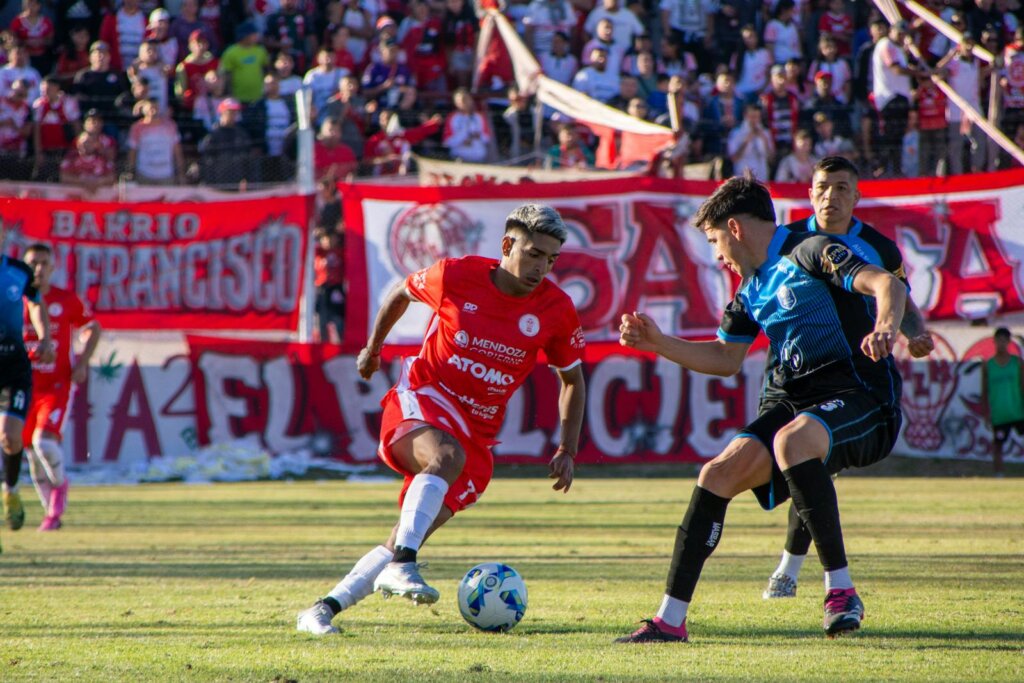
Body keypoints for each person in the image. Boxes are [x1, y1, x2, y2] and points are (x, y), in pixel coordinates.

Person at [616, 175, 907, 642]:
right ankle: (670, 620)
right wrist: (657, 343)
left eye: (714, 242)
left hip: (863, 397)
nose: (717, 256)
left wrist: (887, 328)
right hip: (797, 403)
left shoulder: (811, 251)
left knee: (793, 440)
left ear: (733, 228)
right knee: (716, 474)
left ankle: (841, 591)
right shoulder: (749, 291)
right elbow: (724, 358)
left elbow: (885, 285)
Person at [296, 204, 586, 635]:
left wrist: (567, 447)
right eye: (532, 253)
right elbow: (400, 293)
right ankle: (404, 565)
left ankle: (321, 610)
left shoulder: (556, 310)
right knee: (443, 458)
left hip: (477, 435)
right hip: (422, 397)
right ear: (507, 245)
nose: (540, 267)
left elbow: (572, 381)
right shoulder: (455, 275)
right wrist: (374, 349)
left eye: (550, 259)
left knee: (404, 534)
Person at [761, 155, 934, 600]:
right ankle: (793, 570)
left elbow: (899, 295)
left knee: (810, 463)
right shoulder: (785, 240)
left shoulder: (878, 248)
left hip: (856, 378)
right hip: (796, 374)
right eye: (822, 186)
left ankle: (791, 571)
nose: (829, 196)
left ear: (856, 196)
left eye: (841, 188)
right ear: (808, 192)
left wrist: (909, 332)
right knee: (801, 466)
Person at [20, 244, 100, 531]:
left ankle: (60, 487)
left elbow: (93, 327)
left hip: (56, 385)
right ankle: (51, 514)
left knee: (44, 442)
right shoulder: (12, 298)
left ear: (53, 267)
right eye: (33, 263)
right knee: (30, 451)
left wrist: (82, 363)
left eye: (44, 263)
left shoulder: (66, 300)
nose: (38, 269)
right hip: (23, 387)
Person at [0, 224, 54, 545]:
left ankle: (11, 491)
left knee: (10, 437)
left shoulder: (18, 271)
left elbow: (35, 303)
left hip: (12, 367)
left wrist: (45, 335)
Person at [981, 327, 1024, 476]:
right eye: (998, 340)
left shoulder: (1017, 362)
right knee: (998, 445)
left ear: (1009, 342)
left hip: (1018, 411)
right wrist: (985, 412)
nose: (1001, 344)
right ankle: (999, 474)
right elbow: (984, 391)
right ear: (994, 342)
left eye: (1003, 341)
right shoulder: (989, 365)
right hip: (1000, 414)